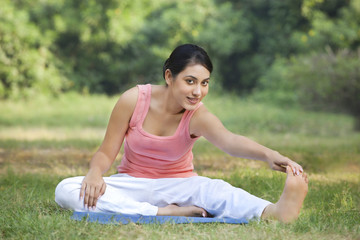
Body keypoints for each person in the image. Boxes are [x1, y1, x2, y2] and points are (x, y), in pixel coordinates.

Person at [55, 44, 308, 223]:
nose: (198, 91)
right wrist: (94, 174)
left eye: (205, 82)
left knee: (215, 190)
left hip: (181, 185)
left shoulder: (197, 114)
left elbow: (230, 141)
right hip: (132, 184)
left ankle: (274, 211)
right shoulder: (133, 100)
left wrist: (269, 154)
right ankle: (164, 213)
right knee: (66, 189)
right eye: (190, 81)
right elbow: (105, 152)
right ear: (169, 76)